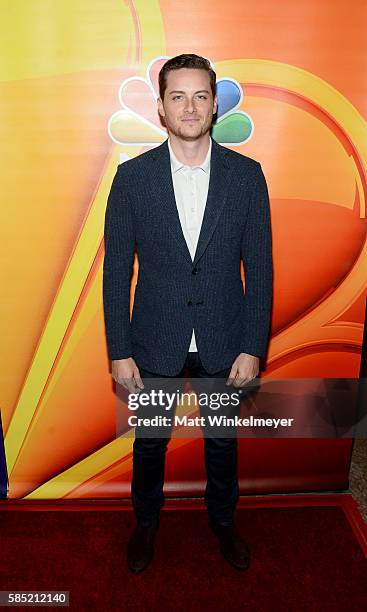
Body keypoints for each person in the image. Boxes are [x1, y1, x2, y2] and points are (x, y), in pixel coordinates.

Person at [103, 54, 273, 573]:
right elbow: (116, 273)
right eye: (178, 96)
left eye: (201, 95)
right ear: (160, 107)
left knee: (223, 445)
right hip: (154, 340)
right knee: (150, 446)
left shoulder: (247, 177)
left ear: (215, 104)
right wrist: (119, 352)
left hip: (225, 340)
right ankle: (146, 524)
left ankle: (223, 521)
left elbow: (260, 268)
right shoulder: (132, 179)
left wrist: (252, 346)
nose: (190, 106)